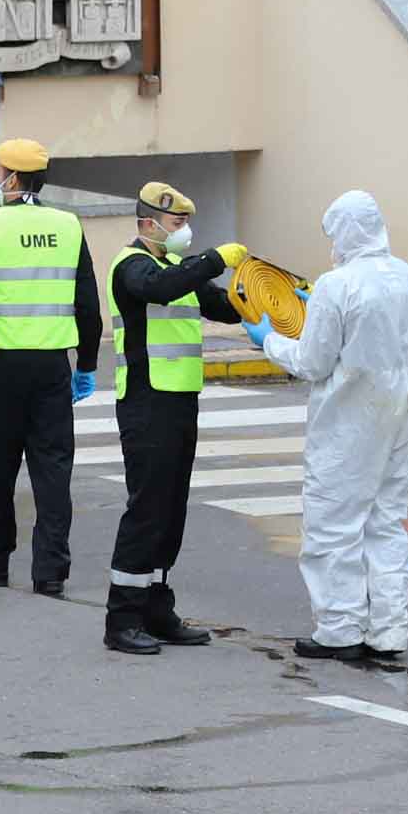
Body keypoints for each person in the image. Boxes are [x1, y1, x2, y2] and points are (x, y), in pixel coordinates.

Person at [257, 190, 408, 665]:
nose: (331, 244)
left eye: (333, 235)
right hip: (401, 410)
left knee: (333, 522)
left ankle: (339, 628)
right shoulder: (406, 277)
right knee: (385, 520)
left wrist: (268, 340)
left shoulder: (338, 285)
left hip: (350, 420)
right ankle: (389, 629)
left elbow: (312, 362)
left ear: (346, 232)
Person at [0, 139, 105, 594]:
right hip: (52, 368)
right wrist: (86, 363)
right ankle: (50, 572)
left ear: (11, 176)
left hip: (2, 367)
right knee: (53, 472)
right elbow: (87, 305)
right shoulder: (68, 226)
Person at [101, 183, 257, 655]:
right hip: (146, 402)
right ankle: (121, 617)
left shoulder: (176, 270)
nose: (184, 232)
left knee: (171, 512)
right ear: (148, 224)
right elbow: (159, 288)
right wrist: (212, 259)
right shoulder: (132, 266)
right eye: (177, 224)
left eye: (187, 224)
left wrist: (269, 294)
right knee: (147, 509)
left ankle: (155, 607)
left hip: (179, 400)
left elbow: (222, 307)